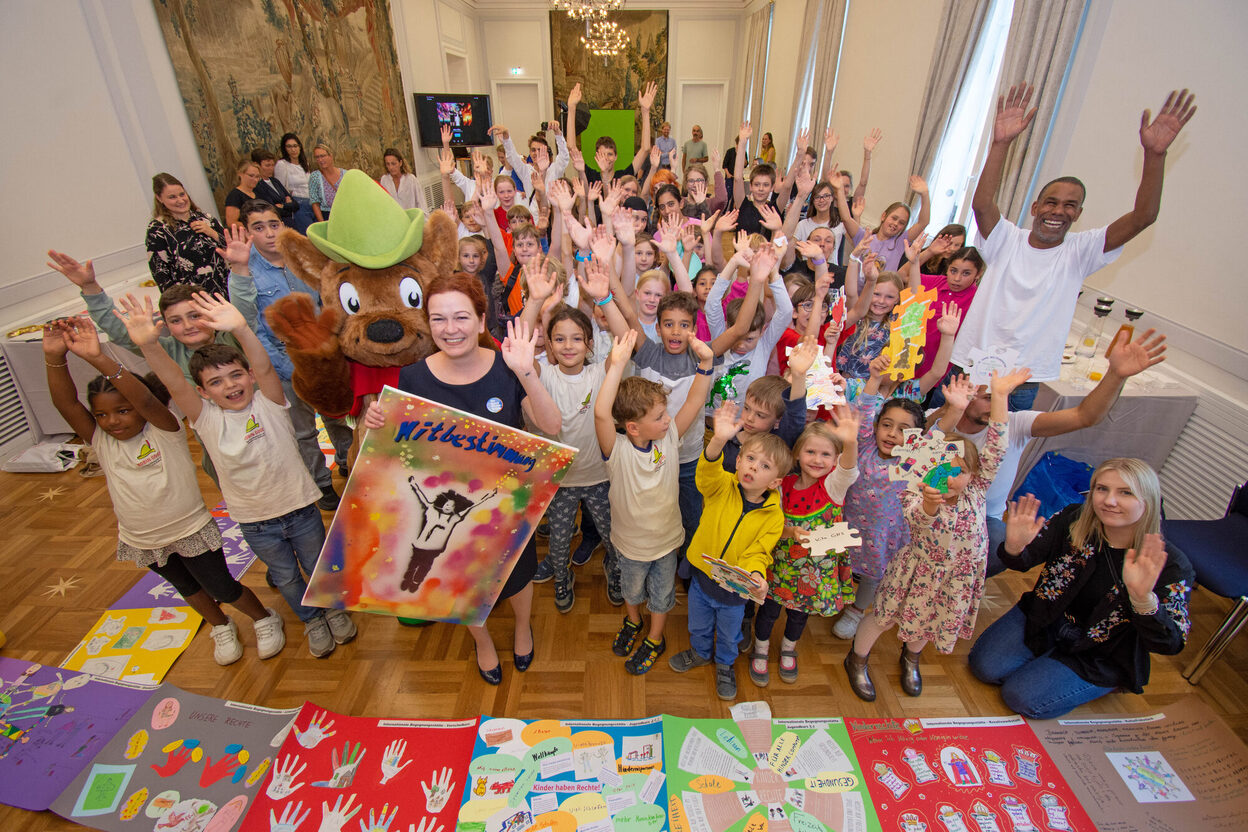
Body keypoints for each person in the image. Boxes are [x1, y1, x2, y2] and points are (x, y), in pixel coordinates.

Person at [119, 290, 357, 658]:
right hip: (256, 522)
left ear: (248, 376)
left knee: (316, 566)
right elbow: (175, 383)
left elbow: (264, 367)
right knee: (287, 577)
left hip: (301, 511)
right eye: (216, 383)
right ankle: (311, 620)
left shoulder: (271, 401)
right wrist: (150, 347)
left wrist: (243, 329)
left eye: (235, 376)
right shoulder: (206, 419)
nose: (230, 386)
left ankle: (336, 612)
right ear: (203, 392)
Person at [42, 318, 282, 666]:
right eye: (102, 415)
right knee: (189, 590)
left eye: (122, 411)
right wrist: (54, 356)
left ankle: (263, 618)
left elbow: (144, 399)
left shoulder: (164, 428)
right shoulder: (101, 441)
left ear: (142, 407)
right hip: (143, 538)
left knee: (222, 587)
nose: (112, 421)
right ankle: (220, 625)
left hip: (189, 531)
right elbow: (66, 405)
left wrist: (98, 357)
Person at [363, 274, 561, 685]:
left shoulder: (508, 368)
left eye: (460, 317)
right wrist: (375, 425)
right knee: (462, 579)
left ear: (480, 318)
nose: (450, 329)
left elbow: (552, 426)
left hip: (506, 505)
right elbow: (398, 456)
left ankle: (522, 628)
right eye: (438, 319)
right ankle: (482, 641)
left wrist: (526, 373)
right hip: (444, 507)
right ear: (428, 323)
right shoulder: (412, 378)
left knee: (518, 574)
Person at [953, 85, 1195, 410]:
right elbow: (982, 204)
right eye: (1051, 203)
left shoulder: (1081, 252)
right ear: (1035, 207)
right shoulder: (1005, 239)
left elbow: (1143, 217)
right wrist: (1000, 144)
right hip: (970, 366)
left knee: (996, 457)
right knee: (944, 448)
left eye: (1070, 205)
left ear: (1078, 215)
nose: (1058, 211)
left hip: (1022, 381)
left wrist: (1155, 156)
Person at [844, 368, 1029, 701]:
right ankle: (856, 658)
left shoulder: (976, 491)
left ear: (974, 474)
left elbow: (997, 448)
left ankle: (911, 655)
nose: (950, 476)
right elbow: (918, 521)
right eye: (942, 467)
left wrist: (999, 397)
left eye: (959, 470)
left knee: (930, 620)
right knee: (882, 617)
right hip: (913, 572)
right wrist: (930, 504)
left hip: (956, 579)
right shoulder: (917, 488)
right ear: (927, 466)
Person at [929, 328, 1168, 576]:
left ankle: (954, 582)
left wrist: (1115, 375)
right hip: (933, 506)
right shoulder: (939, 420)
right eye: (990, 396)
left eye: (1004, 395)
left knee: (1002, 544)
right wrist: (950, 409)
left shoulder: (1015, 423)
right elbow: (921, 444)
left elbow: (1085, 415)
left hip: (983, 518)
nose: (1000, 404)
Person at [969, 460, 1194, 719]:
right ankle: (1047, 664)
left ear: (1148, 501)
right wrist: (1014, 547)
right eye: (1102, 489)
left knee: (1020, 697)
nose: (1109, 501)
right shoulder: (1074, 518)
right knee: (984, 668)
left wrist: (1142, 599)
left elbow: (1170, 643)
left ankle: (1100, 682)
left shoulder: (1172, 566)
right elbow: (1024, 561)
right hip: (1045, 618)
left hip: (1100, 650)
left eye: (1125, 492)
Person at [220, 200, 355, 505]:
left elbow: (323, 304)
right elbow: (249, 327)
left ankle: (349, 462)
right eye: (259, 227)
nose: (269, 233)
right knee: (303, 430)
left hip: (322, 356)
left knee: (336, 415)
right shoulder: (246, 271)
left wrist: (333, 351)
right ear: (249, 232)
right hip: (284, 363)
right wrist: (287, 367)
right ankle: (321, 484)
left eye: (274, 224)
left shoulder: (299, 260)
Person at [521, 262, 627, 611]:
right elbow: (521, 346)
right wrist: (535, 301)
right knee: (559, 543)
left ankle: (615, 570)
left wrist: (605, 298)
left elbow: (625, 338)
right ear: (548, 343)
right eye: (560, 339)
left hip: (600, 478)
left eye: (577, 338)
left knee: (613, 538)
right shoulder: (544, 375)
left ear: (589, 342)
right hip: (559, 482)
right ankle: (563, 578)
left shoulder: (600, 372)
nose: (568, 346)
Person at [668, 401, 790, 701]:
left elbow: (760, 552)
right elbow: (705, 475)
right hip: (702, 577)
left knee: (729, 633)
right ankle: (699, 652)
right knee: (697, 623)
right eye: (749, 458)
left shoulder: (774, 515)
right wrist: (719, 440)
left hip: (735, 592)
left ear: (775, 482)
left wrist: (755, 574)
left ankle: (724, 664)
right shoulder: (722, 484)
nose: (752, 467)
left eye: (763, 466)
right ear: (737, 462)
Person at [751, 414, 860, 686]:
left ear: (835, 460)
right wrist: (790, 533)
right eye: (810, 451)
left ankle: (789, 647)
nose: (817, 459)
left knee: (799, 616)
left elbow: (849, 469)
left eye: (826, 454)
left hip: (813, 574)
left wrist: (851, 441)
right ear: (797, 453)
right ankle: (761, 648)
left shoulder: (833, 487)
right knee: (768, 611)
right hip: (779, 566)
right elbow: (770, 523)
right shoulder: (782, 485)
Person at [833, 379, 927, 640]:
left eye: (903, 430)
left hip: (882, 536)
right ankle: (837, 593)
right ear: (875, 427)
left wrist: (953, 409)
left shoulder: (912, 461)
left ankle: (857, 610)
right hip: (847, 524)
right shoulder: (864, 446)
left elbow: (941, 437)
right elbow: (863, 412)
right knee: (841, 562)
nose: (892, 434)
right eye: (887, 425)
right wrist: (874, 379)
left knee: (872, 576)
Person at [144, 173, 229, 297]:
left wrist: (212, 233)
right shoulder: (158, 230)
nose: (180, 200)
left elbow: (232, 247)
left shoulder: (206, 219)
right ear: (159, 198)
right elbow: (160, 274)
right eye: (172, 197)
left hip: (225, 291)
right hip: (192, 299)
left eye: (182, 194)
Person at [835, 171, 930, 273]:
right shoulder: (865, 237)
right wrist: (840, 191)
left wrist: (925, 194)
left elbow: (923, 222)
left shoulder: (901, 242)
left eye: (901, 223)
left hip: (883, 288)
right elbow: (846, 218)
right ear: (884, 216)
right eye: (894, 218)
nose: (896, 224)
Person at [274, 133, 315, 232]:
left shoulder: (305, 164)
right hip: (298, 204)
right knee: (307, 235)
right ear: (285, 149)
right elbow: (280, 187)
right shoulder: (282, 165)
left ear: (300, 147)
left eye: (295, 146)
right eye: (289, 146)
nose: (293, 149)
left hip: (312, 202)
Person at [251, 149, 298, 225]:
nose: (271, 168)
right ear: (257, 165)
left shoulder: (275, 181)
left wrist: (283, 205)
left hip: (290, 222)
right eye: (267, 165)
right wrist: (288, 205)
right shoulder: (257, 186)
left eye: (273, 165)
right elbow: (272, 209)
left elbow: (295, 205)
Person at [307, 143, 347, 222]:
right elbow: (315, 202)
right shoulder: (315, 177)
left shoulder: (345, 174)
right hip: (327, 215)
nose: (320, 160)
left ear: (331, 156)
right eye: (317, 157)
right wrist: (322, 223)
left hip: (345, 214)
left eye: (322, 156)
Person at [224, 159, 261, 227]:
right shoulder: (235, 196)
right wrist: (253, 227)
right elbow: (231, 223)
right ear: (240, 174)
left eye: (257, 176)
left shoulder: (257, 192)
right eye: (251, 176)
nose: (255, 180)